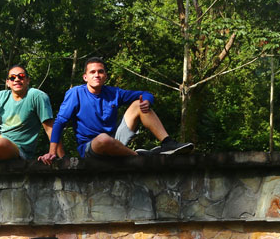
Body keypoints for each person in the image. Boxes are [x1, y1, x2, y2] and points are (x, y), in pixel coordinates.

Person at [42, 57, 192, 163]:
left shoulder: (113, 93)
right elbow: (60, 122)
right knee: (103, 139)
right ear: (85, 77)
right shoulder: (76, 94)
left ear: (105, 76)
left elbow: (145, 94)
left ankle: (168, 143)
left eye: (100, 72)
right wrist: (52, 152)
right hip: (91, 147)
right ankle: (139, 156)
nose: (97, 75)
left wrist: (147, 101)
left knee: (138, 104)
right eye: (92, 72)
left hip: (114, 141)